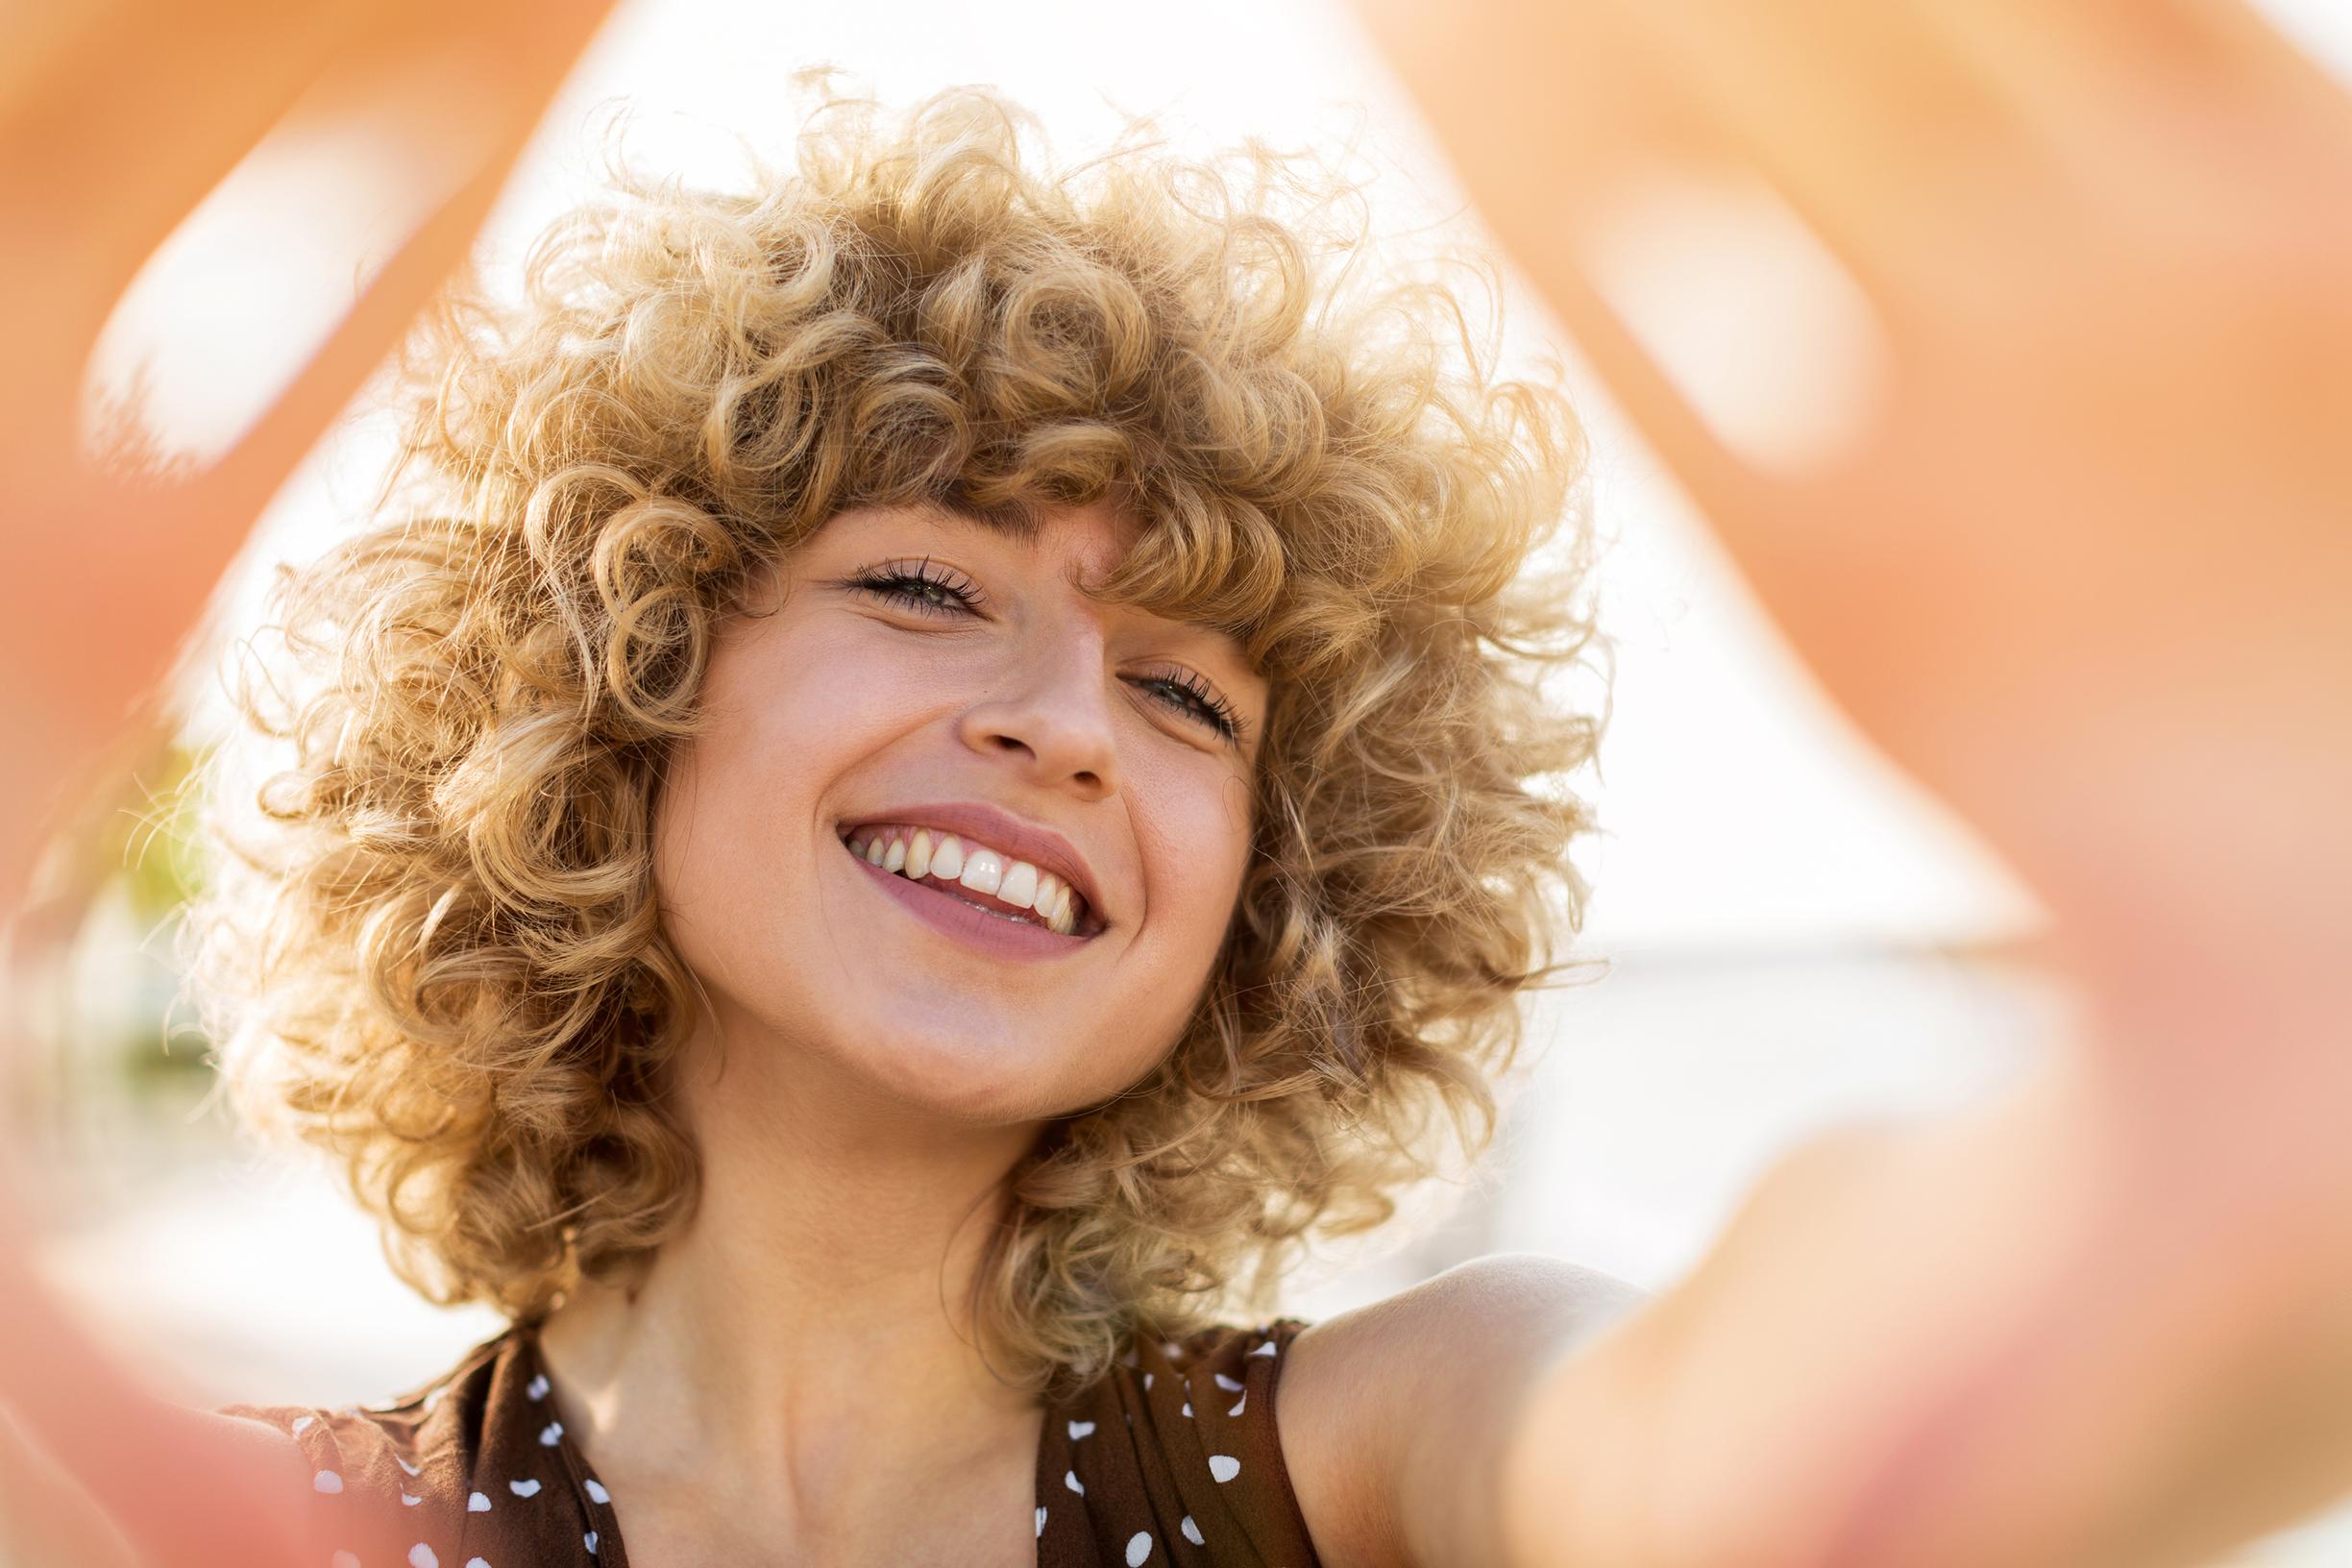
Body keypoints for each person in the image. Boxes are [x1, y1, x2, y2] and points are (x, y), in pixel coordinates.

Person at [1, 3, 2347, 1567]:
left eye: (1198, 703)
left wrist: (2258, 1047)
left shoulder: (1389, 1451)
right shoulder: (251, 1522)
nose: (1064, 723)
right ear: (619, 691)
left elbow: (1731, 1439)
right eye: (926, 588)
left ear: (1281, 893)